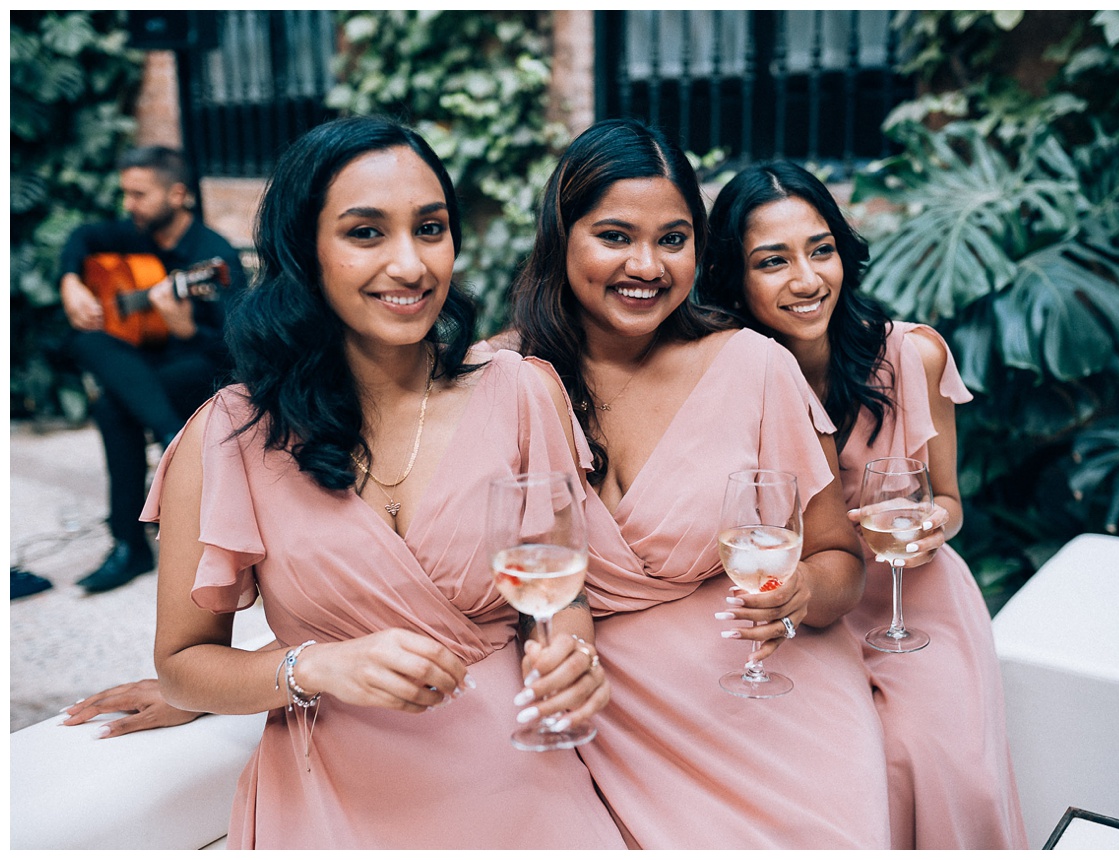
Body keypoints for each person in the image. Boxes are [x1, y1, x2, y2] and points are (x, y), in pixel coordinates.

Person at [142, 116, 622, 849]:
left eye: (430, 228)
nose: (411, 265)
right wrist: (321, 664)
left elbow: (561, 597)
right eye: (366, 233)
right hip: (336, 788)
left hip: (519, 770)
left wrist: (573, 653)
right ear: (306, 250)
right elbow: (182, 666)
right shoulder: (226, 435)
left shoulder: (522, 392)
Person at [505, 119, 891, 849]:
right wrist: (568, 654)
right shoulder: (507, 380)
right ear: (563, 236)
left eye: (673, 239)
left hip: (771, 692)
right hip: (616, 713)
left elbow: (840, 556)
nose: (647, 265)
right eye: (616, 236)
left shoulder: (752, 365)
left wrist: (803, 593)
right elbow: (540, 586)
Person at [698, 159, 1028, 849]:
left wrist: (933, 523)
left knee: (944, 765)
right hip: (803, 600)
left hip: (911, 592)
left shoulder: (914, 357)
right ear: (733, 275)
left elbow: (949, 499)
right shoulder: (725, 375)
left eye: (821, 250)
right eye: (773, 261)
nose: (808, 279)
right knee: (840, 778)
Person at [59, 145, 248, 593]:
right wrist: (70, 282)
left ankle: (129, 545)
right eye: (126, 194)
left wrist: (184, 328)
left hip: (204, 368)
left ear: (178, 194)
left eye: (139, 195)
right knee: (84, 338)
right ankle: (166, 433)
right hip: (148, 364)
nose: (129, 205)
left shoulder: (213, 257)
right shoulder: (135, 236)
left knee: (112, 408)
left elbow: (234, 352)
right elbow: (81, 237)